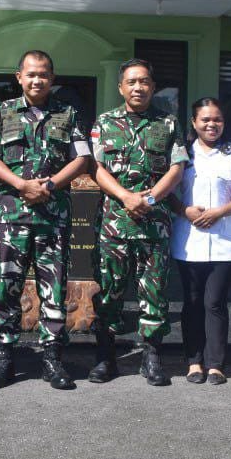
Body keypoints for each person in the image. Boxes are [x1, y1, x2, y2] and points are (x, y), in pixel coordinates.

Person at [0, 50, 91, 391]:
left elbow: (82, 158)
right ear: (19, 77)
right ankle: (3, 357)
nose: (37, 80)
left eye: (43, 74)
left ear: (52, 78)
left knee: (53, 289)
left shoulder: (68, 113)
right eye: (31, 74)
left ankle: (52, 357)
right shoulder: (2, 111)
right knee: (7, 287)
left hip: (52, 217)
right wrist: (20, 184)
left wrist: (52, 184)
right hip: (12, 217)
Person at [89, 58, 189, 387]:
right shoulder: (104, 123)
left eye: (144, 81)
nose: (138, 87)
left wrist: (147, 199)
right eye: (131, 82)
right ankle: (106, 355)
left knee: (155, 292)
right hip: (115, 224)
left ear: (153, 87)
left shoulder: (168, 123)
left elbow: (176, 169)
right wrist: (126, 197)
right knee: (110, 293)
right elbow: (97, 169)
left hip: (153, 224)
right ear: (120, 87)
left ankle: (151, 355)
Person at [172, 97, 231, 385]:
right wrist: (184, 210)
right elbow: (168, 191)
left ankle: (216, 364)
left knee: (215, 302)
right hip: (189, 239)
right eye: (205, 119)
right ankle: (194, 361)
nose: (211, 124)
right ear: (194, 123)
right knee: (192, 301)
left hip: (224, 240)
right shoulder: (182, 154)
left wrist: (220, 211)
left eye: (216, 119)